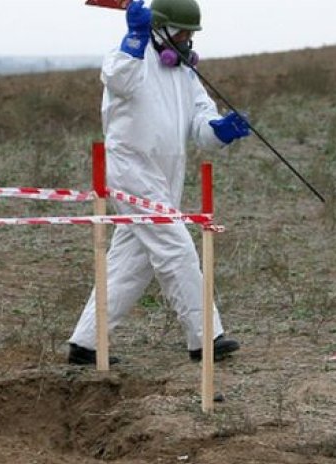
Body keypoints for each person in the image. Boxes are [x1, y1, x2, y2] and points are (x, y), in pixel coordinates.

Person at [68, 0, 250, 365]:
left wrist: (220, 130)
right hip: (131, 171)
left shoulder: (185, 72)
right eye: (181, 31)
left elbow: (201, 121)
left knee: (131, 262)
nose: (187, 39)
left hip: (167, 176)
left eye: (191, 33)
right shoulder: (129, 60)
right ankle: (206, 338)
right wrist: (133, 37)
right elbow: (118, 79)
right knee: (176, 247)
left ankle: (85, 345)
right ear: (159, 28)